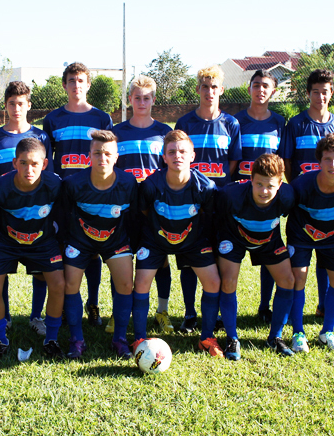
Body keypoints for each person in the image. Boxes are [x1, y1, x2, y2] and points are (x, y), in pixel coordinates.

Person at [133, 130, 223, 358]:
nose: (177, 156)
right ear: (164, 157)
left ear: (193, 155)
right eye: (171, 152)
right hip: (155, 239)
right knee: (142, 281)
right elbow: (142, 213)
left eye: (183, 151)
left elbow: (209, 217)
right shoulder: (151, 185)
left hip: (193, 241)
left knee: (213, 281)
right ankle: (139, 339)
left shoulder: (206, 187)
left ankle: (207, 338)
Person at [43, 63, 113, 327]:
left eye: (81, 80)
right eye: (71, 81)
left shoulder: (101, 118)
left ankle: (92, 303)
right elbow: (47, 160)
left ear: (88, 84)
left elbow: (108, 156)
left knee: (93, 249)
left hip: (94, 193)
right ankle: (62, 303)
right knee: (64, 249)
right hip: (63, 195)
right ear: (64, 85)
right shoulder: (52, 119)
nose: (76, 85)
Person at [0, 137, 66, 360]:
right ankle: (0, 338)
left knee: (58, 283)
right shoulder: (0, 186)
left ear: (45, 164)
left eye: (35, 164)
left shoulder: (55, 184)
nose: (29, 169)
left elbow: (63, 216)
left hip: (42, 241)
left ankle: (51, 338)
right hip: (5, 241)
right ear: (14, 163)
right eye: (23, 163)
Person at [174, 65, 241, 333]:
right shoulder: (185, 123)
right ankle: (190, 314)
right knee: (190, 260)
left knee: (220, 259)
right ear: (199, 89)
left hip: (219, 202)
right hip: (190, 203)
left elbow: (233, 161)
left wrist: (215, 186)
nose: (209, 92)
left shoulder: (231, 123)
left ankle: (220, 314)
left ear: (221, 90)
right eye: (205, 86)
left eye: (214, 87)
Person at [61, 130, 138, 359]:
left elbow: (134, 219)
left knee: (125, 284)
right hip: (80, 240)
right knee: (70, 282)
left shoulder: (128, 182)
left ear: (116, 157)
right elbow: (64, 219)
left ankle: (120, 339)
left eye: (107, 153)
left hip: (116, 240)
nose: (102, 158)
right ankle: (76, 339)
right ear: (89, 156)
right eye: (97, 153)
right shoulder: (73, 184)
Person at [278, 69, 334, 319]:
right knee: (302, 259)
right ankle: (291, 311)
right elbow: (286, 159)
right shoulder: (296, 123)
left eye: (325, 91)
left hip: (329, 200)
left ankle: (323, 306)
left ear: (331, 93)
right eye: (315, 92)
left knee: (327, 254)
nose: (320, 96)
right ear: (308, 94)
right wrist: (297, 187)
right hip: (304, 200)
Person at [0, 81, 52, 336]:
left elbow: (48, 174)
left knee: (41, 272)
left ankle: (37, 316)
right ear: (5, 105)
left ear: (29, 106)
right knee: (0, 270)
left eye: (21, 103)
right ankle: (5, 317)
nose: (16, 108)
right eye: (12, 103)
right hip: (6, 216)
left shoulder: (41, 136)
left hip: (37, 216)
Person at [216, 154, 296, 359]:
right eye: (258, 184)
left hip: (269, 239)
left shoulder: (288, 196)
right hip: (234, 237)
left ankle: (275, 337)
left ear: (280, 183)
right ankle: (232, 338)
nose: (264, 191)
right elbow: (214, 219)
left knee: (288, 280)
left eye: (270, 186)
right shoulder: (230, 195)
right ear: (251, 179)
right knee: (228, 282)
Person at [286, 134, 334, 353]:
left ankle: (327, 331)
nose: (333, 164)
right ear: (319, 162)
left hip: (333, 236)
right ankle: (298, 332)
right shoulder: (302, 184)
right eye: (327, 159)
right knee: (298, 276)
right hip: (301, 235)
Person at [112, 75, 173, 334]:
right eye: (137, 97)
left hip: (154, 208)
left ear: (153, 100)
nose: (141, 102)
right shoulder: (117, 132)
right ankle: (119, 314)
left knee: (160, 261)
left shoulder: (163, 132)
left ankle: (162, 311)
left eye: (146, 98)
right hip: (126, 208)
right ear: (129, 100)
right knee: (121, 261)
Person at [233, 69, 286, 324]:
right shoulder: (236, 121)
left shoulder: (279, 122)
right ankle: (224, 308)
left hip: (268, 197)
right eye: (256, 85)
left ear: (273, 91)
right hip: (243, 197)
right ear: (249, 89)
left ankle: (264, 306)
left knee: (269, 249)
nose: (260, 90)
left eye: (266, 86)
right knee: (231, 255)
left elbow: (282, 161)